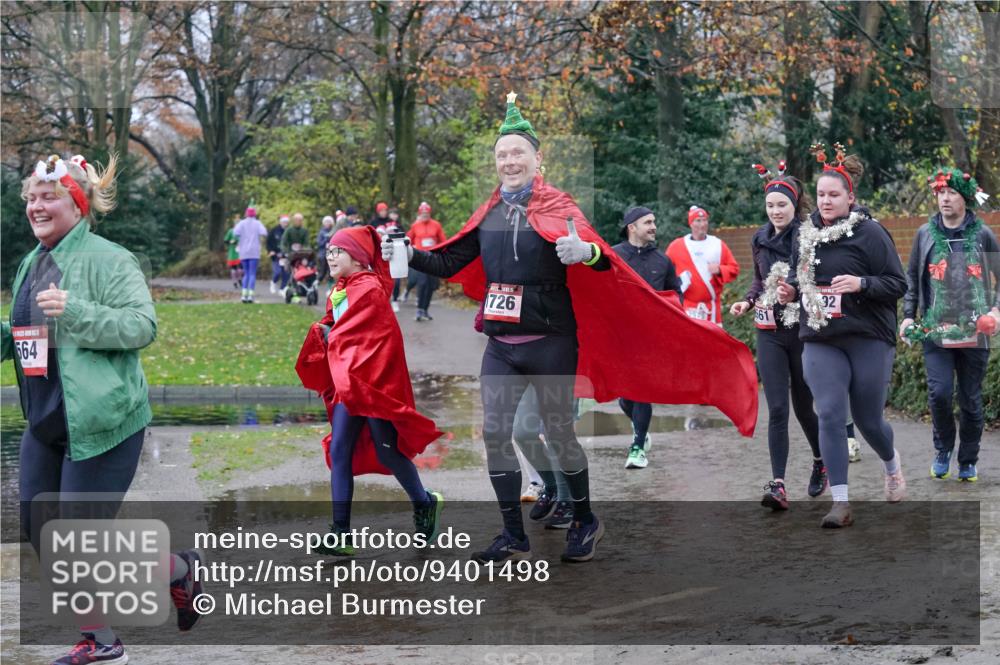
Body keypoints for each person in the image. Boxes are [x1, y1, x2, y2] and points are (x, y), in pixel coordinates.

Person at [382, 92, 759, 564]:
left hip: (550, 342)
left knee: (559, 434)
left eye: (518, 152)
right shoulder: (489, 211)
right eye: (502, 154)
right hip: (501, 344)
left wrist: (588, 254)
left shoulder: (559, 206)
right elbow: (450, 258)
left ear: (537, 158)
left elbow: (604, 264)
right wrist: (408, 253)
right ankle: (512, 534)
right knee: (497, 434)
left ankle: (584, 520)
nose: (509, 160)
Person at [2, 153, 203, 664]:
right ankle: (176, 572)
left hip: (103, 423)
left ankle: (104, 641)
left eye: (48, 197)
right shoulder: (32, 261)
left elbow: (142, 326)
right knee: (42, 532)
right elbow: (31, 335)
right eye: (31, 198)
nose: (35, 206)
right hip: (46, 422)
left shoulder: (111, 259)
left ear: (77, 202)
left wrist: (78, 311)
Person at [776, 143, 908, 528]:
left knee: (868, 421)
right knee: (830, 413)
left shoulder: (870, 234)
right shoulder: (805, 234)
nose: (826, 201)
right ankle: (841, 502)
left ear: (851, 197)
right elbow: (795, 278)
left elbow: (897, 284)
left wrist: (860, 283)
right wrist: (788, 290)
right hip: (820, 336)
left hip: (868, 336)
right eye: (820, 195)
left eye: (834, 195)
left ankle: (891, 463)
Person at [295, 225, 444, 555]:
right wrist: (325, 329)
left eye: (338, 251)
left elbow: (369, 336)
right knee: (340, 452)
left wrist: (329, 334)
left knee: (389, 451)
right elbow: (341, 327)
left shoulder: (369, 288)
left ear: (358, 257)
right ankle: (341, 533)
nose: (330, 256)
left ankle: (425, 502)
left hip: (375, 385)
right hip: (352, 384)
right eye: (329, 250)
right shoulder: (345, 286)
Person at [729, 162, 826, 510]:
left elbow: (814, 277)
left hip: (799, 329)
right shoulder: (759, 237)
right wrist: (747, 300)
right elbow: (760, 279)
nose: (775, 211)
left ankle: (820, 460)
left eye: (781, 205)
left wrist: (795, 291)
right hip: (768, 331)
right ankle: (779, 484)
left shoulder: (806, 235)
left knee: (803, 406)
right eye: (770, 206)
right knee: (778, 408)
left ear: (794, 204)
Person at [900, 167, 999, 482]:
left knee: (970, 399)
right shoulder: (924, 234)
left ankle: (968, 460)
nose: (944, 198)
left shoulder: (983, 234)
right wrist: (907, 315)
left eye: (951, 192)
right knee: (940, 393)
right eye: (940, 192)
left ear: (965, 198)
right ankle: (943, 449)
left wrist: (996, 311)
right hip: (936, 330)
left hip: (975, 330)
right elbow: (913, 280)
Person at [611, 206, 682, 469]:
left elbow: (676, 294)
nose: (653, 226)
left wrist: (676, 319)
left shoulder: (663, 261)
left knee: (641, 389)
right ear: (632, 227)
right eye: (647, 222)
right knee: (624, 396)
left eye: (654, 221)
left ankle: (638, 446)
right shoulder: (614, 256)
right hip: (619, 335)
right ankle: (641, 429)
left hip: (651, 338)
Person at [666, 205, 740, 326]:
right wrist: (677, 282)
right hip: (687, 307)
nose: (702, 224)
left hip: (712, 308)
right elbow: (665, 271)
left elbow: (734, 269)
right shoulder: (677, 246)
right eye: (698, 220)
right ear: (691, 223)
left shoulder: (717, 244)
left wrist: (720, 269)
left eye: (705, 220)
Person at [406, 202, 447, 321]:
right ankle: (419, 309)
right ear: (419, 214)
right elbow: (408, 239)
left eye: (427, 213)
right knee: (422, 283)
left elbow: (443, 240)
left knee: (431, 285)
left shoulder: (436, 225)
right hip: (420, 258)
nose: (425, 215)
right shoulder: (415, 226)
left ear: (430, 213)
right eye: (423, 213)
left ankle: (425, 310)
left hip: (433, 257)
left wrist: (442, 254)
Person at [233, 207, 268, 303]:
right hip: (254, 251)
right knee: (252, 273)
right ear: (255, 214)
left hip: (244, 251)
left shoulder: (242, 223)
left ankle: (244, 295)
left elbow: (235, 232)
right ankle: (250, 296)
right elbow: (264, 232)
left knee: (246, 273)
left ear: (246, 214)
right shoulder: (257, 223)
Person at [267, 214, 290, 294]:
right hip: (276, 255)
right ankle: (273, 282)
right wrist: (271, 251)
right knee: (277, 272)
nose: (285, 223)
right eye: (284, 222)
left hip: (286, 256)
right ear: (280, 222)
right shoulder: (274, 230)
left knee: (286, 273)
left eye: (286, 222)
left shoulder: (289, 231)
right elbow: (269, 242)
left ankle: (282, 289)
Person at [224, 213, 243, 289]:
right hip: (233, 252)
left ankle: (239, 280)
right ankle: (235, 281)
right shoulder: (231, 231)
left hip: (241, 252)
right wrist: (231, 242)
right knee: (234, 268)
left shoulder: (242, 232)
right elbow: (225, 240)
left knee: (240, 268)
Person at [316, 215, 336, 286]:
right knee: (322, 271)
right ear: (324, 223)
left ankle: (330, 286)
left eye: (329, 222)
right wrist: (325, 239)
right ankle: (316, 283)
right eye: (326, 222)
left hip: (331, 254)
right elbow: (319, 244)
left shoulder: (333, 231)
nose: (327, 223)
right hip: (323, 254)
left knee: (331, 271)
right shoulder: (321, 232)